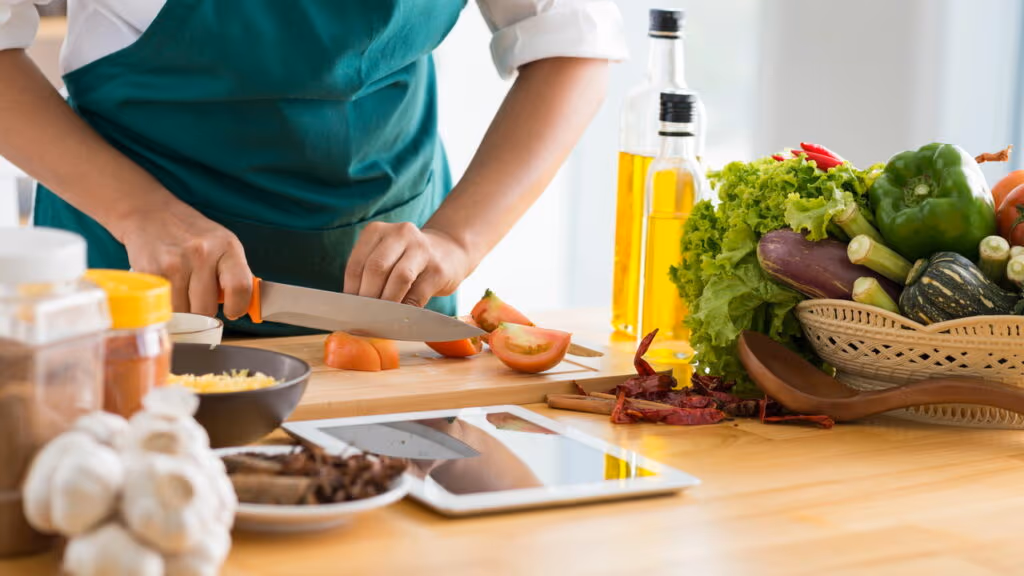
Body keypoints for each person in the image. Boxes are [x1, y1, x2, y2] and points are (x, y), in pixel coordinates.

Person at [0, 0, 627, 334]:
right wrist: (140, 213)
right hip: (137, 281)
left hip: (389, 306)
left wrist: (457, 238)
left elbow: (572, 41)